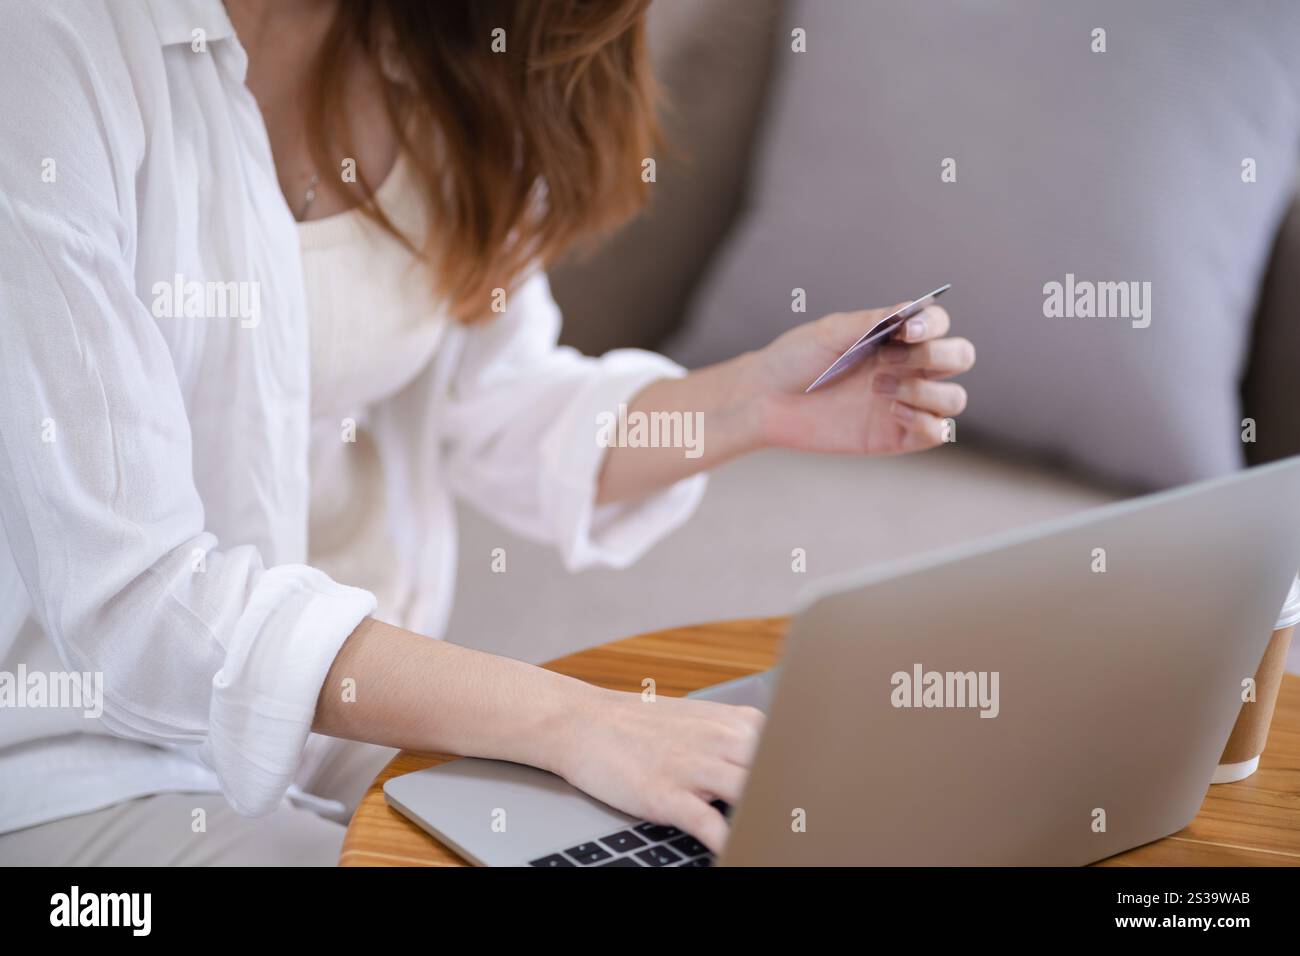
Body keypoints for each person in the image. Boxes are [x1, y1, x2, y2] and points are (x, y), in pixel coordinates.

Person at [0, 0, 975, 865]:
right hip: (83, 755)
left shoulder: (430, 47)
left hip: (347, 714)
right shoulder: (50, 49)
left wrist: (753, 400)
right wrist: (572, 717)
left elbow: (499, 402)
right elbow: (139, 601)